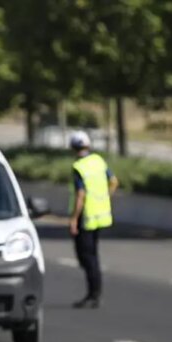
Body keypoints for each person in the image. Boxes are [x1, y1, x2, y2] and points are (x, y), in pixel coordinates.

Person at [68, 131, 119, 309]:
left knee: (87, 257)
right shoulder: (98, 161)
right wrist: (105, 198)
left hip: (87, 217)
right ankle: (94, 293)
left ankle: (93, 294)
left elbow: (80, 195)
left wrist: (74, 219)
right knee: (93, 256)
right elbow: (114, 181)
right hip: (101, 215)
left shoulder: (79, 167)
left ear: (73, 148)